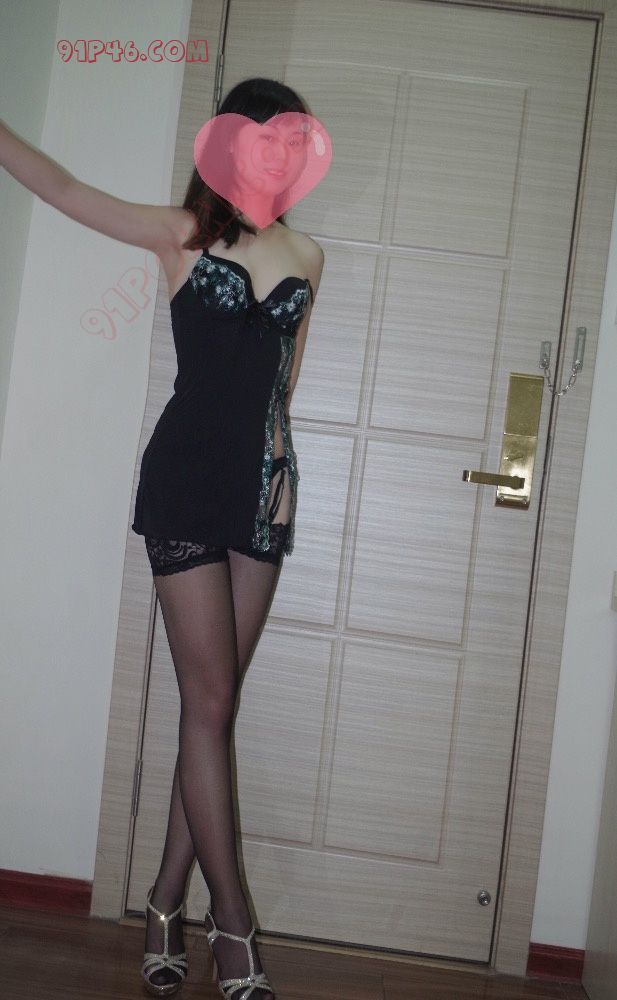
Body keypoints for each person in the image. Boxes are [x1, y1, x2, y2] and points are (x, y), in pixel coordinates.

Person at [0, 76, 324, 1000]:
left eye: (289, 141)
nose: (275, 154)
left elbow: (282, 391)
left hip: (260, 495)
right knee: (208, 702)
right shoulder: (179, 234)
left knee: (212, 710)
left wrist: (283, 480)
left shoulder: (308, 254)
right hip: (184, 484)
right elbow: (66, 189)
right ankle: (234, 926)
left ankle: (162, 901)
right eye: (261, 137)